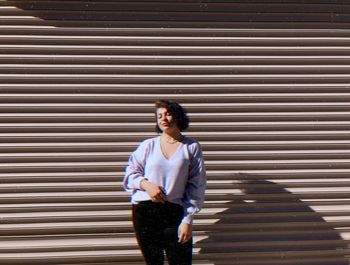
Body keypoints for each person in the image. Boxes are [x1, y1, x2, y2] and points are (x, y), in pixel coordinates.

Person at [123, 99, 206, 265]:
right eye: (159, 116)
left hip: (174, 212)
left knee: (181, 261)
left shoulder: (191, 147)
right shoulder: (148, 145)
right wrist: (147, 185)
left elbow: (196, 186)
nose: (163, 119)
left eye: (168, 114)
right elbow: (130, 174)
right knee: (154, 262)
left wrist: (188, 219)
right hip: (145, 211)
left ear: (178, 116)